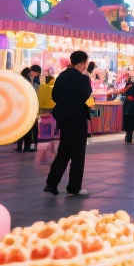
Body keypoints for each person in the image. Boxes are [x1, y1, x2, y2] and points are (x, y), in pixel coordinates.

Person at [45, 50, 93, 197]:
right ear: (83, 62)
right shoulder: (83, 79)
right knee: (78, 154)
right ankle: (74, 187)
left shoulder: (62, 76)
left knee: (64, 152)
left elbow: (55, 96)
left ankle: (51, 183)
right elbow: (87, 96)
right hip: (78, 118)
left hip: (64, 119)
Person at [16, 65, 41, 152]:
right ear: (32, 71)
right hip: (26, 106)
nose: (37, 75)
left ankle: (27, 146)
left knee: (29, 127)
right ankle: (21, 146)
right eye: (37, 73)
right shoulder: (25, 79)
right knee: (25, 127)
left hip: (31, 106)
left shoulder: (35, 79)